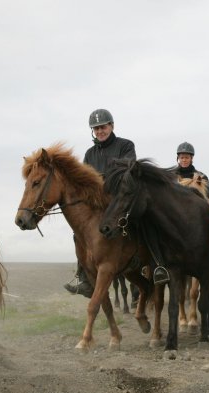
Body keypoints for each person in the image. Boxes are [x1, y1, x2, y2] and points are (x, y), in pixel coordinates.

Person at [63, 108, 136, 297]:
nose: (100, 131)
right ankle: (85, 278)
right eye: (96, 129)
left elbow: (126, 171)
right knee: (78, 232)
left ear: (111, 126)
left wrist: (101, 179)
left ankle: (156, 264)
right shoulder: (89, 154)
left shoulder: (126, 145)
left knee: (143, 219)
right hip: (97, 204)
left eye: (102, 127)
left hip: (120, 200)